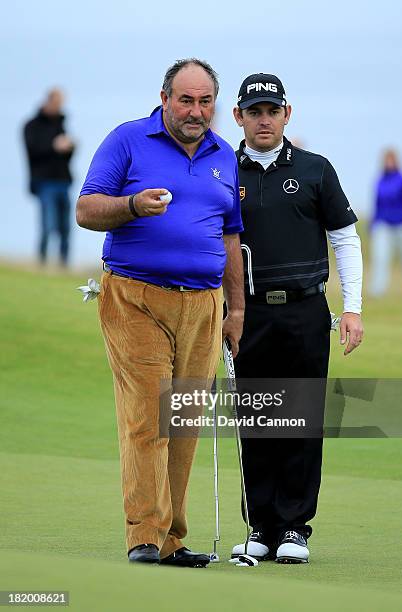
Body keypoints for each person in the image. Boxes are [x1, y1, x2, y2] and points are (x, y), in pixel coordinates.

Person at [76, 59, 244, 567]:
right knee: (149, 415)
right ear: (165, 97)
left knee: (185, 420)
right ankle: (144, 537)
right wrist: (131, 206)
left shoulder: (223, 156)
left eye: (205, 101)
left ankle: (171, 540)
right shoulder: (128, 140)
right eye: (186, 100)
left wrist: (236, 307)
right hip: (135, 296)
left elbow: (231, 236)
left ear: (215, 103)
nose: (196, 111)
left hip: (203, 303)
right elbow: (86, 209)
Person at [230, 73, 364, 563]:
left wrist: (353, 307)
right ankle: (260, 526)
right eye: (254, 112)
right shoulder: (223, 171)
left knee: (302, 418)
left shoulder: (314, 169)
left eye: (271, 111)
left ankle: (293, 528)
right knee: (256, 417)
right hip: (246, 311)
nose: (263, 120)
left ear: (288, 114)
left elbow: (345, 238)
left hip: (307, 309)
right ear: (238, 117)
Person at [23, 88, 75, 265]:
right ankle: (42, 263)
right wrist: (55, 146)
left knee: (66, 227)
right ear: (49, 101)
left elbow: (67, 156)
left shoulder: (61, 123)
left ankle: (63, 264)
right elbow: (32, 151)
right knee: (48, 225)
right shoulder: (31, 125)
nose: (59, 106)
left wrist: (70, 147)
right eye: (57, 102)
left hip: (63, 181)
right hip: (44, 182)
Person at [369, 149, 402, 296]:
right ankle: (377, 291)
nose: (389, 163)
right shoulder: (380, 181)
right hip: (383, 225)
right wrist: (372, 225)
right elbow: (377, 204)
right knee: (380, 258)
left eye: (391, 160)